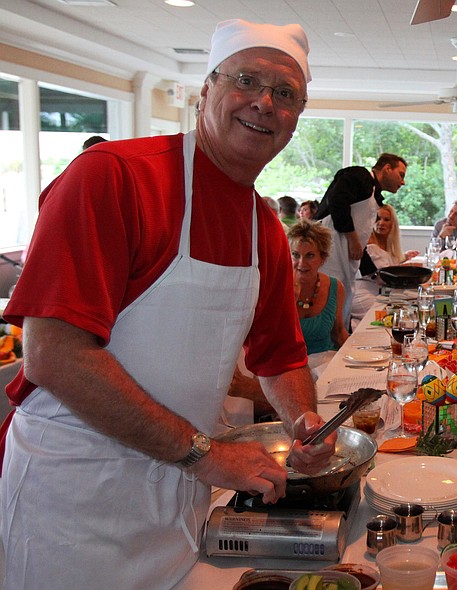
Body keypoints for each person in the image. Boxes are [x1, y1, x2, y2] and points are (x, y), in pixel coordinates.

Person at [0, 19, 337, 589]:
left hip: (179, 499)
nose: (263, 102)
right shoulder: (112, 178)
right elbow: (53, 356)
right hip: (75, 499)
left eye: (284, 93)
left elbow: (279, 356)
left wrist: (303, 422)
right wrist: (204, 455)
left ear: (297, 116)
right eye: (247, 80)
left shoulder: (263, 229)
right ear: (206, 90)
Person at [315, 153, 407, 326]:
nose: (403, 182)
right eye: (401, 175)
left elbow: (361, 243)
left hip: (346, 258)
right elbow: (337, 201)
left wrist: (375, 274)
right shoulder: (359, 175)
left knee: (341, 307)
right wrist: (352, 239)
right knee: (326, 303)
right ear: (387, 168)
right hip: (328, 250)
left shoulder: (374, 195)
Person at [350, 204, 417, 329]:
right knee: (393, 317)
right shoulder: (370, 246)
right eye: (378, 218)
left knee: (406, 310)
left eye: (386, 220)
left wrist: (405, 258)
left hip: (380, 295)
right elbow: (387, 275)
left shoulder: (387, 247)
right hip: (363, 294)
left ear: (393, 224)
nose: (381, 223)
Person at [288, 221, 348, 354]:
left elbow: (338, 332)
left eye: (310, 255)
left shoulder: (335, 287)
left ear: (323, 258)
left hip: (325, 362)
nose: (301, 263)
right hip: (287, 365)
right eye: (296, 255)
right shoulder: (277, 289)